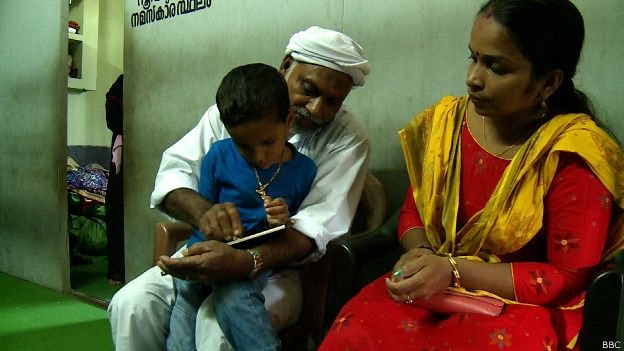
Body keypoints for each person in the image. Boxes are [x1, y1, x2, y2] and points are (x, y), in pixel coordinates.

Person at [319, 1, 624, 350]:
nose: (473, 78)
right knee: (355, 333)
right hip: (433, 288)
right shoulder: (448, 124)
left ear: (549, 82)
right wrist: (423, 259)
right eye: (473, 57)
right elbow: (414, 212)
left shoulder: (574, 153)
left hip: (522, 306)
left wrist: (451, 270)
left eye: (496, 67)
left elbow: (566, 276)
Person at [107, 26, 371, 351]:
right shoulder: (234, 111)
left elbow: (316, 226)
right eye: (309, 89)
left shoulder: (347, 138)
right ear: (287, 64)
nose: (317, 109)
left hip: (282, 271)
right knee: (131, 305)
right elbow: (175, 175)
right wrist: (207, 214)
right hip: (210, 249)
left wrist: (247, 261)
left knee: (214, 324)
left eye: (333, 101)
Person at [165, 63, 317, 351]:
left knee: (235, 297)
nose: (259, 156)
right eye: (244, 146)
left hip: (256, 264)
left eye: (268, 142)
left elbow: (297, 231)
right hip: (207, 255)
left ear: (288, 121)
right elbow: (204, 216)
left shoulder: (304, 170)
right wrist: (207, 230)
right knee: (184, 307)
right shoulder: (219, 156)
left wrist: (282, 219)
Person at [105, 74, 124, 285]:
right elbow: (113, 120)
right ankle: (117, 270)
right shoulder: (121, 82)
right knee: (117, 209)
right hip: (123, 156)